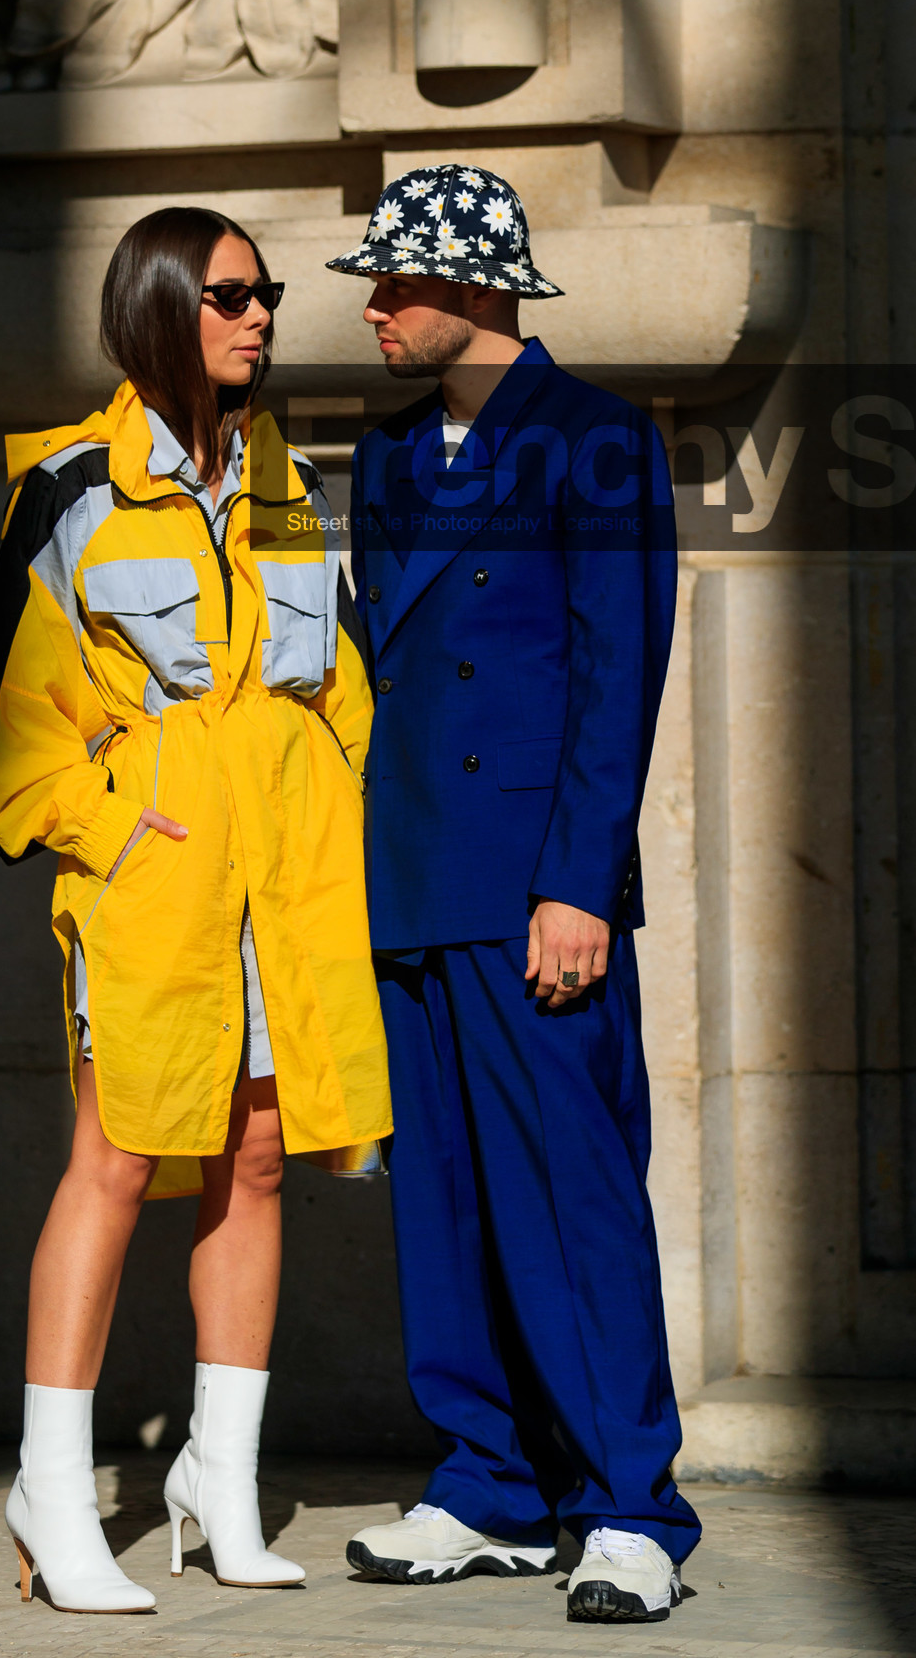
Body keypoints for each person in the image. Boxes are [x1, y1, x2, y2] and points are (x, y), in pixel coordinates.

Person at [0, 207, 389, 1614]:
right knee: (117, 1163)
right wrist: (121, 825)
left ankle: (219, 1482)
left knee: (254, 1163)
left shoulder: (289, 482)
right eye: (233, 295)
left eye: (268, 294)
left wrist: (323, 811)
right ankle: (52, 1490)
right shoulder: (71, 491)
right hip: (154, 888)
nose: (261, 317)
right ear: (159, 309)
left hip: (282, 887)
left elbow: (341, 689)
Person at [327, 164, 701, 1624]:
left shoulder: (599, 439)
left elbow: (619, 684)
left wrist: (580, 888)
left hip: (533, 889)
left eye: (400, 284)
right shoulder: (390, 452)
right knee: (445, 1195)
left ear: (479, 292)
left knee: (575, 1190)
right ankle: (489, 1481)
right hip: (412, 875)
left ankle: (629, 1505)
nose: (374, 308)